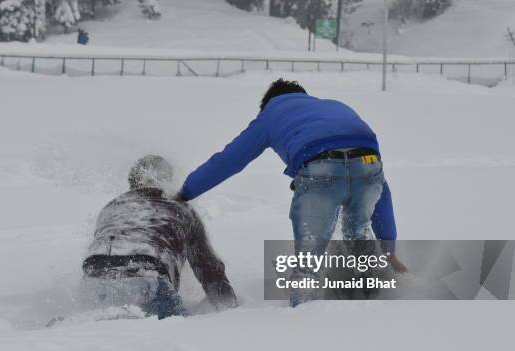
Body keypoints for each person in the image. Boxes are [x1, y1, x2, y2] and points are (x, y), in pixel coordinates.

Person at [177, 79, 407, 304]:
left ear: (268, 103)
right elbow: (381, 188)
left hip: (320, 166)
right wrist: (389, 248)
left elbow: (228, 161)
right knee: (357, 231)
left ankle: (303, 326)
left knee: (309, 262)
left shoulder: (271, 114)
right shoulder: (337, 106)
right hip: (368, 163)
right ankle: (379, 299)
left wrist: (184, 193)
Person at [82, 155, 237, 319]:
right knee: (179, 333)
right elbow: (209, 268)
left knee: (99, 332)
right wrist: (227, 305)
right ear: (168, 180)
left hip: (94, 275)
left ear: (132, 183)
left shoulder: (111, 208)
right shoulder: (181, 209)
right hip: (146, 273)